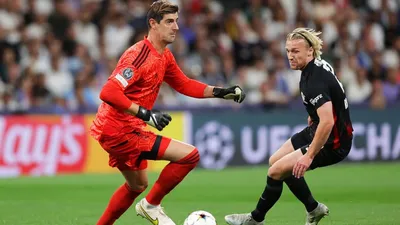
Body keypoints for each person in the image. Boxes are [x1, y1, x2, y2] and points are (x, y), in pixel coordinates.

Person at [90, 1, 246, 225]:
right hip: (119, 130)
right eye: (169, 22)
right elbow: (108, 91)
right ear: (153, 24)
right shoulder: (139, 55)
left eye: (177, 21)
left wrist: (221, 92)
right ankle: (151, 206)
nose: (176, 27)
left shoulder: (164, 55)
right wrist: (146, 114)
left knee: (137, 185)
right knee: (189, 156)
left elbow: (184, 84)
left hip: (121, 128)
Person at [225, 28, 354, 225]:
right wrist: (314, 114)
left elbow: (328, 121)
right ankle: (313, 208)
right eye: (288, 51)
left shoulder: (315, 81)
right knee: (275, 160)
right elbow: (333, 93)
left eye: (296, 51)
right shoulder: (317, 66)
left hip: (333, 142)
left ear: (310, 51)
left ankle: (255, 219)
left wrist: (308, 156)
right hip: (321, 128)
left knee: (276, 171)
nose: (290, 56)